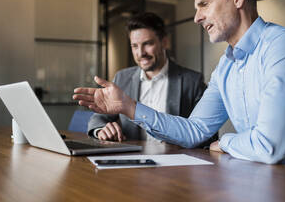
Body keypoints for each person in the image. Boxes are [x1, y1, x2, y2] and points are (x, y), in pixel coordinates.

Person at [73, 0, 285, 166]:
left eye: (204, 4)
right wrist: (129, 107)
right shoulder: (227, 65)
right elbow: (194, 131)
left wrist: (226, 142)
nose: (197, 17)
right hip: (265, 179)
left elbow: (270, 146)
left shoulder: (284, 45)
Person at [87, 12, 214, 146]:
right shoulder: (122, 78)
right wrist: (101, 130)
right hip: (131, 159)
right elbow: (99, 118)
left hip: (175, 161)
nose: (141, 53)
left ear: (164, 42)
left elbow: (207, 134)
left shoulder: (192, 81)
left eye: (147, 44)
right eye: (134, 46)